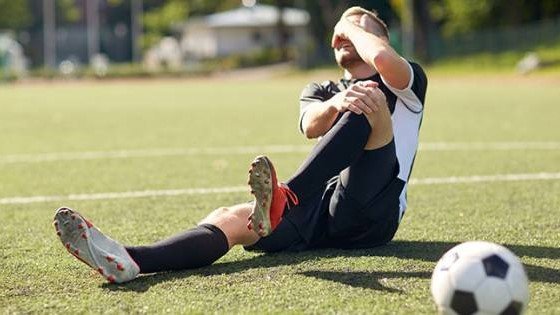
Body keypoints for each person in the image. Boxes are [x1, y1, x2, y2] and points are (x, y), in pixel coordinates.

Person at [53, 6, 427, 284]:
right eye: (340, 34)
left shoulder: (405, 83)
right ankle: (130, 260)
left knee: (368, 100)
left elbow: (379, 58)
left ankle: (286, 197)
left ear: (381, 38)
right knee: (232, 217)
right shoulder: (320, 90)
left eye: (357, 30)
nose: (345, 36)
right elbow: (311, 126)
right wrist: (336, 101)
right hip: (321, 210)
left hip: (375, 212)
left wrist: (350, 23)